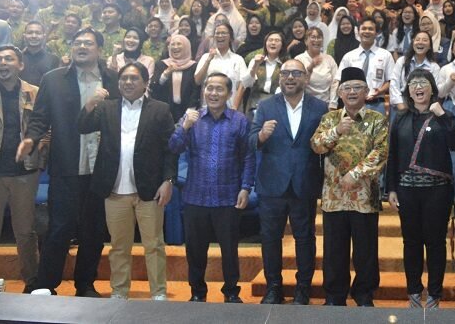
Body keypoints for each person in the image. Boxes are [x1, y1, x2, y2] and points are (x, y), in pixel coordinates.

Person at [18, 27, 120, 296]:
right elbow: (40, 118)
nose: (81, 47)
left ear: (100, 49)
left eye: (88, 43)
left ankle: (85, 284)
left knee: (93, 231)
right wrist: (31, 138)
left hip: (101, 169)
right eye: (77, 42)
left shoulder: (114, 79)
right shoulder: (53, 79)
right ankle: (45, 285)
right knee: (59, 228)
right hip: (66, 167)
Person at [77, 62, 176, 301]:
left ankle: (159, 293)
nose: (128, 82)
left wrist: (168, 180)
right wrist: (90, 103)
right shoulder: (107, 107)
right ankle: (119, 291)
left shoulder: (160, 109)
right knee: (119, 246)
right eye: (124, 78)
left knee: (154, 245)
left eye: (134, 78)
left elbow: (170, 149)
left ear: (145, 83)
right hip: (114, 189)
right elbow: (83, 126)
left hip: (149, 190)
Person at [168, 72, 254, 303]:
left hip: (228, 196)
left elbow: (248, 157)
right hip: (195, 196)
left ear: (229, 93)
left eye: (219, 89)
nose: (213, 93)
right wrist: (185, 126)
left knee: (229, 250)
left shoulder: (239, 120)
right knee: (195, 250)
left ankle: (231, 292)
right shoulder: (192, 118)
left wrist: (246, 187)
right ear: (203, 91)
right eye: (209, 88)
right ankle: (197, 292)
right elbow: (174, 147)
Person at [249, 59, 327, 305]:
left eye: (296, 73)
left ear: (305, 77)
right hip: (272, 184)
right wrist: (262, 135)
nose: (290, 77)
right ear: (279, 78)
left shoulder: (320, 107)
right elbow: (251, 140)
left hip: (305, 183)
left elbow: (326, 144)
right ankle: (274, 287)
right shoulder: (265, 106)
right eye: (285, 73)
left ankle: (303, 288)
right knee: (270, 238)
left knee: (305, 239)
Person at [310, 67, 389, 307]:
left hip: (365, 197)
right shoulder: (330, 119)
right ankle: (335, 296)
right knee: (334, 251)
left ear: (366, 92)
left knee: (366, 251)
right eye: (347, 88)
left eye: (357, 88)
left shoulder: (377, 119)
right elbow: (316, 145)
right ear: (340, 93)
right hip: (334, 197)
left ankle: (364, 295)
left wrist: (355, 174)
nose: (352, 92)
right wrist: (336, 131)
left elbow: (381, 152)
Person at [388, 69, 455, 308]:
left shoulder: (444, 115)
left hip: (437, 192)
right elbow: (393, 154)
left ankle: (434, 295)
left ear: (432, 88)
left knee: (435, 243)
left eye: (423, 83)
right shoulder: (400, 117)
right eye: (413, 83)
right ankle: (413, 293)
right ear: (408, 91)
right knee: (411, 242)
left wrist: (442, 116)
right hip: (407, 191)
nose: (418, 87)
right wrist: (391, 188)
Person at [0, 45, 42, 293]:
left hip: (24, 173)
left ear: (20, 65)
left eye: (8, 59)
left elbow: (45, 126)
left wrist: (38, 149)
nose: (3, 63)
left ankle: (32, 283)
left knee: (25, 232)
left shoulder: (34, 93)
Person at [337, 17, 394, 113]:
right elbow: (339, 80)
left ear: (376, 33)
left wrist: (380, 91)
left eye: (370, 29)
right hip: (353, 105)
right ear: (358, 32)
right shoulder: (349, 56)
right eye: (363, 28)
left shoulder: (385, 55)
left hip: (377, 104)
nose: (367, 31)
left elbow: (390, 80)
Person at [194, 21, 252, 107]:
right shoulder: (206, 57)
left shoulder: (238, 59)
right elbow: (197, 81)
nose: (220, 36)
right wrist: (208, 60)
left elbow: (242, 85)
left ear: (231, 38)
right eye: (217, 33)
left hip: (230, 108)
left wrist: (235, 107)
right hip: (208, 108)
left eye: (224, 33)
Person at [150, 35, 199, 122]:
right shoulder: (161, 65)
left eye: (179, 44)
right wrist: (165, 74)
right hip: (164, 111)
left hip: (188, 111)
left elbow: (196, 88)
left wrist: (191, 108)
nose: (175, 47)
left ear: (186, 46)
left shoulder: (194, 66)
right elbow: (154, 88)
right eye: (173, 44)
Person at [389, 31, 440, 114]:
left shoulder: (434, 67)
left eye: (424, 40)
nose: (420, 42)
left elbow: (435, 89)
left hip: (425, 106)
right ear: (413, 43)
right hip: (402, 103)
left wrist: (424, 108)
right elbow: (394, 85)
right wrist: (401, 106)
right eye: (417, 39)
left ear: (430, 46)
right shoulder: (401, 61)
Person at [295, 27, 338, 107]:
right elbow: (298, 85)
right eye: (313, 37)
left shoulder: (329, 59)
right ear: (306, 41)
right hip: (305, 104)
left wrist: (333, 104)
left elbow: (335, 83)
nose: (316, 40)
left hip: (326, 104)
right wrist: (310, 68)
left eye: (319, 37)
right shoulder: (299, 59)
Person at [20, 21, 60, 87]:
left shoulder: (53, 60)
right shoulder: (17, 58)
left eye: (38, 33)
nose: (34, 36)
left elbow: (55, 85)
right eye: (30, 33)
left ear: (44, 36)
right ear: (24, 36)